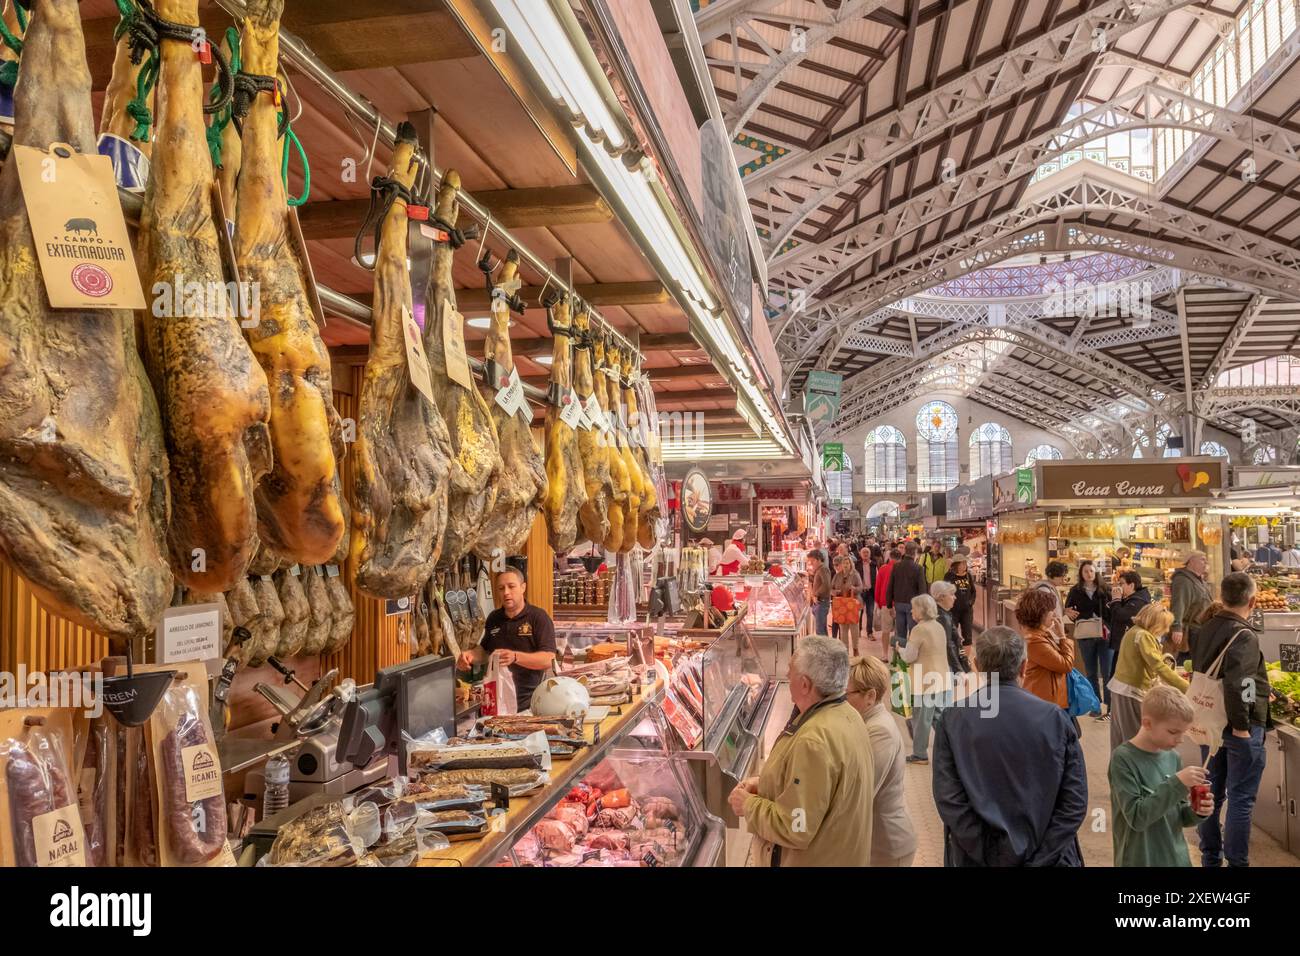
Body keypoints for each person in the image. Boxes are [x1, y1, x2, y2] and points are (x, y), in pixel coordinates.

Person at [932, 626, 1087, 866]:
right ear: (1024, 666)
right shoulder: (1055, 718)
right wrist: (1042, 856)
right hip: (1050, 858)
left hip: (975, 859)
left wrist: (987, 853)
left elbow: (950, 799)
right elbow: (1074, 802)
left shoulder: (953, 719)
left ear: (976, 665)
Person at [728, 636, 875, 866]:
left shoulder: (813, 741)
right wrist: (766, 784)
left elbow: (796, 826)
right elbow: (818, 792)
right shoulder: (848, 714)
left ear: (805, 684)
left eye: (790, 670)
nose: (787, 676)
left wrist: (748, 805)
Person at [1190, 573, 1271, 868]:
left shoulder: (1206, 626)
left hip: (1209, 722)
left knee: (1210, 793)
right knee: (1240, 799)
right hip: (1236, 728)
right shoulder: (1244, 634)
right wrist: (1242, 726)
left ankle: (1211, 857)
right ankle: (1238, 863)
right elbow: (1242, 684)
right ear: (1252, 600)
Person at [1108, 685, 1214, 867]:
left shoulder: (1173, 757)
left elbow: (1179, 817)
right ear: (1147, 723)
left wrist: (1197, 811)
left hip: (1176, 857)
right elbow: (1136, 818)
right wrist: (1177, 783)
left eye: (1183, 732)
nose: (1180, 740)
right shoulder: (1123, 759)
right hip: (1140, 859)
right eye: (1173, 732)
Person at [847, 655, 917, 866]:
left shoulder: (880, 731)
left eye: (846, 694)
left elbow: (862, 791)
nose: (841, 700)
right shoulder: (864, 721)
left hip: (887, 845)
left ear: (870, 695)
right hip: (874, 842)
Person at [457, 567, 556, 711]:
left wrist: (515, 657)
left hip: (530, 703)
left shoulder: (538, 618)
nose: (506, 593)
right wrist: (470, 656)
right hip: (496, 702)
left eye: (511, 586)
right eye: (501, 588)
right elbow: (485, 651)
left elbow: (548, 659)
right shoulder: (494, 618)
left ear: (523, 587)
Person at [1107, 602, 1187, 750]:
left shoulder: (1134, 631)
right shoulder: (1143, 635)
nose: (1167, 630)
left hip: (1122, 688)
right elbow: (1158, 665)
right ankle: (1132, 771)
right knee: (1134, 739)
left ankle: (1119, 770)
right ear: (1155, 623)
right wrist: (1185, 686)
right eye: (1165, 625)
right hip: (1132, 691)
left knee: (1120, 737)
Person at [900, 594, 950, 765]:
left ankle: (920, 754)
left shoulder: (919, 629)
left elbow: (909, 657)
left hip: (925, 680)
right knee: (937, 717)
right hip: (942, 677)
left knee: (921, 719)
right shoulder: (938, 626)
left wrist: (899, 649)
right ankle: (951, 747)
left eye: (913, 607)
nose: (911, 610)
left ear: (921, 610)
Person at [1014, 586, 1075, 710]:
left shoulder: (1038, 635)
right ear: (1041, 614)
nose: (1054, 614)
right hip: (1045, 704)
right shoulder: (1035, 642)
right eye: (1052, 610)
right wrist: (1063, 637)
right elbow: (1066, 665)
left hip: (1046, 700)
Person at [1065, 560, 1111, 720]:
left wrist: (1108, 624)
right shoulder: (1075, 591)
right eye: (1086, 571)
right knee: (1091, 672)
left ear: (1096, 572)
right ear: (1081, 574)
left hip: (1105, 636)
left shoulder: (1105, 589)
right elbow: (1069, 610)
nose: (1089, 574)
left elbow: (1113, 610)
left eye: (1091, 571)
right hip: (1085, 636)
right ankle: (1096, 706)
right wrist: (1070, 613)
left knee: (1107, 672)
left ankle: (1110, 708)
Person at [1107, 570, 1151, 683]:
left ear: (1131, 585)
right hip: (1123, 645)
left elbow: (1120, 616)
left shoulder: (1137, 601)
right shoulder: (1130, 599)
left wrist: (1116, 599)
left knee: (1118, 679)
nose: (1118, 587)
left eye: (1121, 584)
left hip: (1128, 647)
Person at [1169, 552, 1213, 658]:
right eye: (1202, 559)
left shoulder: (1197, 579)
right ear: (1191, 561)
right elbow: (1178, 604)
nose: (1206, 562)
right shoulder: (1183, 580)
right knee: (1186, 664)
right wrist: (1177, 627)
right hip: (1189, 631)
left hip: (1199, 629)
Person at [886, 542, 927, 647]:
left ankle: (901, 657)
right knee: (914, 632)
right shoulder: (918, 568)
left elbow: (890, 586)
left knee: (900, 633)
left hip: (898, 603)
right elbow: (922, 590)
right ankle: (912, 658)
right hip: (913, 605)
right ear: (915, 553)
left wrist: (889, 605)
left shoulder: (896, 566)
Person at [931, 580, 971, 676]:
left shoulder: (943, 613)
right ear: (942, 597)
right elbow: (948, 645)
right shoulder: (942, 617)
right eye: (952, 594)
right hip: (946, 665)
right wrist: (959, 670)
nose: (955, 597)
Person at [830, 554, 864, 655]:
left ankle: (855, 649)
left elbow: (861, 587)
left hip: (854, 604)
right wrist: (835, 592)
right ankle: (845, 651)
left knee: (854, 627)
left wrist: (854, 589)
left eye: (847, 563)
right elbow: (831, 589)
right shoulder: (837, 575)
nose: (845, 565)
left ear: (850, 564)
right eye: (844, 563)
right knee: (843, 628)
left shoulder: (855, 574)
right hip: (841, 605)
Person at [944, 557, 977, 647]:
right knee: (952, 635)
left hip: (967, 611)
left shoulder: (968, 576)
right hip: (953, 610)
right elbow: (945, 590)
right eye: (962, 563)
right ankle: (956, 657)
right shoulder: (949, 576)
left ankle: (966, 659)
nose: (964, 566)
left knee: (967, 637)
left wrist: (970, 602)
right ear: (956, 565)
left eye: (965, 563)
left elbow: (973, 592)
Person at [874, 548, 897, 652]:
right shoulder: (901, 568)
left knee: (886, 630)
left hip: (885, 603)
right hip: (899, 603)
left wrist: (878, 602)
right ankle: (898, 655)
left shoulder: (883, 569)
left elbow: (877, 587)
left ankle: (885, 653)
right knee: (900, 631)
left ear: (889, 557)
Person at [807, 551, 832, 635]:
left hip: (822, 602)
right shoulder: (819, 569)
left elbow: (827, 585)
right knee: (821, 629)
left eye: (812, 561)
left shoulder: (823, 569)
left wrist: (816, 594)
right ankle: (825, 647)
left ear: (818, 559)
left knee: (820, 630)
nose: (811, 563)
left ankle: (822, 647)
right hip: (819, 603)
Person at [859, 546, 877, 637]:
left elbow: (877, 578)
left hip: (870, 592)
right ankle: (858, 630)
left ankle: (869, 632)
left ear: (870, 554)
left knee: (870, 612)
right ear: (860, 554)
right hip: (860, 592)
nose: (865, 554)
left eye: (867, 552)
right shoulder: (857, 564)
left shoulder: (874, 564)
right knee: (859, 612)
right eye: (864, 552)